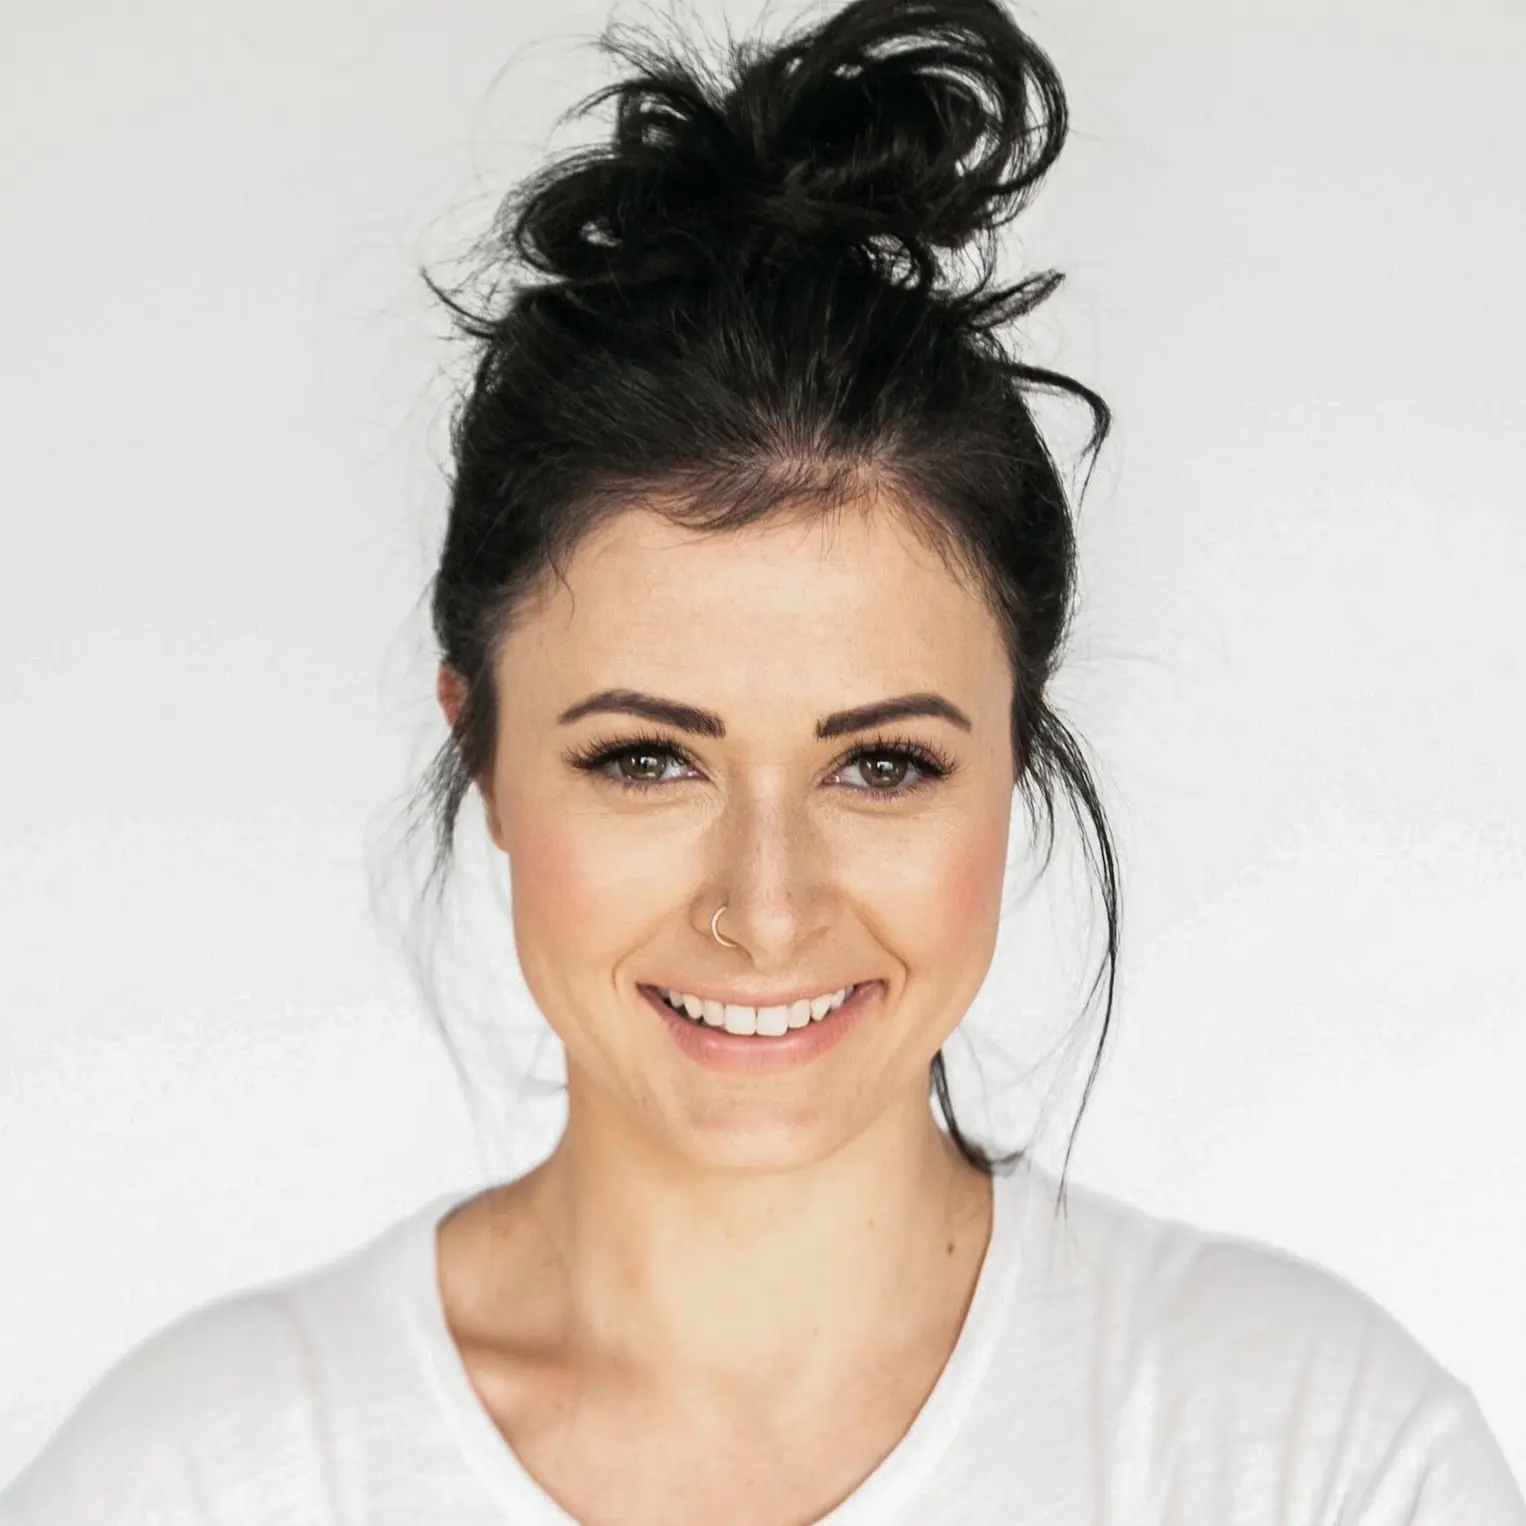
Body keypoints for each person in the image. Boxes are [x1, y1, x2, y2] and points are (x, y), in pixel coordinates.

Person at [3, 0, 1522, 1521]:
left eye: (881, 767)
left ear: (1014, 752)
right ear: (479, 751)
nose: (767, 906)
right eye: (648, 758)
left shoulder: (1318, 1458)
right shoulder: (200, 1475)